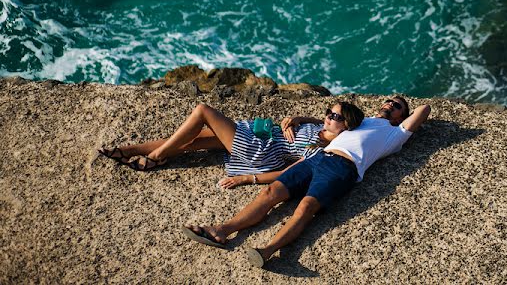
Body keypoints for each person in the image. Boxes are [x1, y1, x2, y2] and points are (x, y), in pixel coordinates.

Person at [181, 95, 431, 268]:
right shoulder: (360, 121)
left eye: (397, 106)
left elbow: (425, 110)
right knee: (270, 193)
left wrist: (404, 114)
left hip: (344, 168)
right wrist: (302, 119)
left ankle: (267, 251)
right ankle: (221, 231)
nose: (390, 104)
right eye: (389, 101)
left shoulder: (395, 134)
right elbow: (331, 122)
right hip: (317, 158)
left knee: (305, 208)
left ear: (402, 118)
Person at [97, 101, 364, 186]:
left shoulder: (324, 150)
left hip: (260, 150)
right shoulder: (320, 125)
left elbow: (290, 172)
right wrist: (294, 118)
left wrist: (249, 179)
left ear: (347, 126)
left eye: (335, 116)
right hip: (259, 135)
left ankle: (156, 156)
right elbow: (312, 118)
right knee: (193, 141)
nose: (329, 116)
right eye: (329, 111)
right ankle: (130, 151)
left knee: (203, 111)